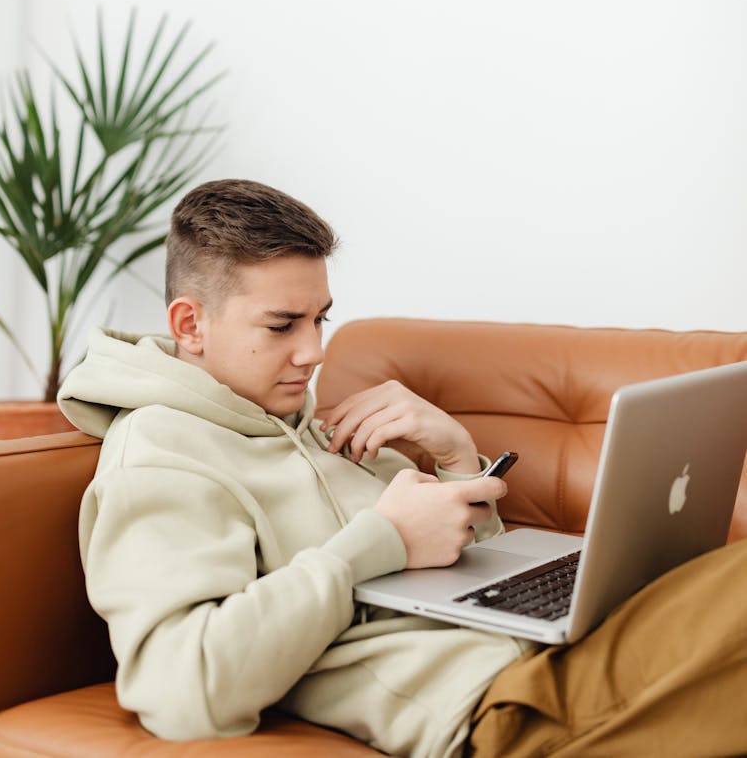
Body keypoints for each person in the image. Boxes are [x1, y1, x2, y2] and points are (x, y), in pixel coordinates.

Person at [58, 178, 747, 758]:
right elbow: (181, 689)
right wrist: (376, 541)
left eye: (322, 319)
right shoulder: (160, 454)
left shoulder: (315, 426)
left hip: (558, 643)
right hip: (504, 701)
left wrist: (453, 459)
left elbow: (460, 570)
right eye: (282, 324)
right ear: (190, 323)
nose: (313, 351)